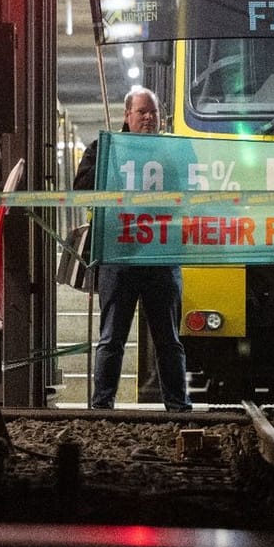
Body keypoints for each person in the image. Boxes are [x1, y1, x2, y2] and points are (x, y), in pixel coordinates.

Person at [74, 87, 192, 411]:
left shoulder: (170, 152)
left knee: (168, 340)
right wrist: (108, 173)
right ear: (127, 115)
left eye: (153, 112)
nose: (149, 118)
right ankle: (102, 406)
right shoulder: (105, 149)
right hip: (119, 257)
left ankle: (178, 406)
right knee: (112, 339)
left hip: (160, 258)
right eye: (142, 112)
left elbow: (189, 194)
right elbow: (81, 187)